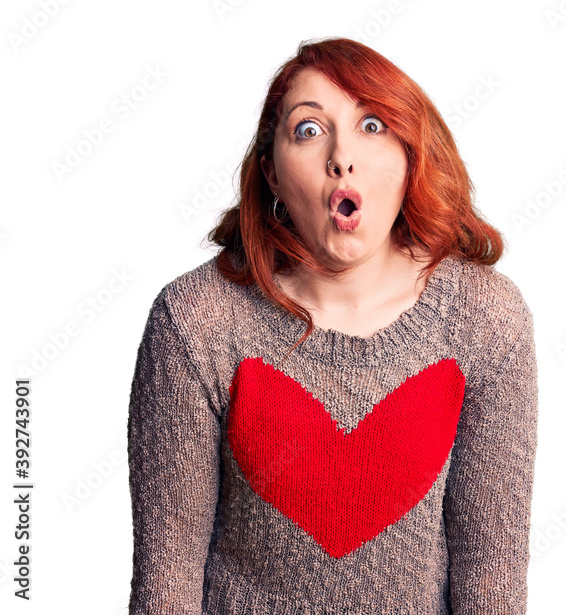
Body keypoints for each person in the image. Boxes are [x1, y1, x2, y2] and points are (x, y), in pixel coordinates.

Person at [126, 37, 538, 614]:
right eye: (308, 129)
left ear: (410, 155)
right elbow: (165, 585)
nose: (342, 154)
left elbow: (490, 584)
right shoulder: (195, 321)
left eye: (372, 126)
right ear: (271, 173)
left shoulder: (487, 320)